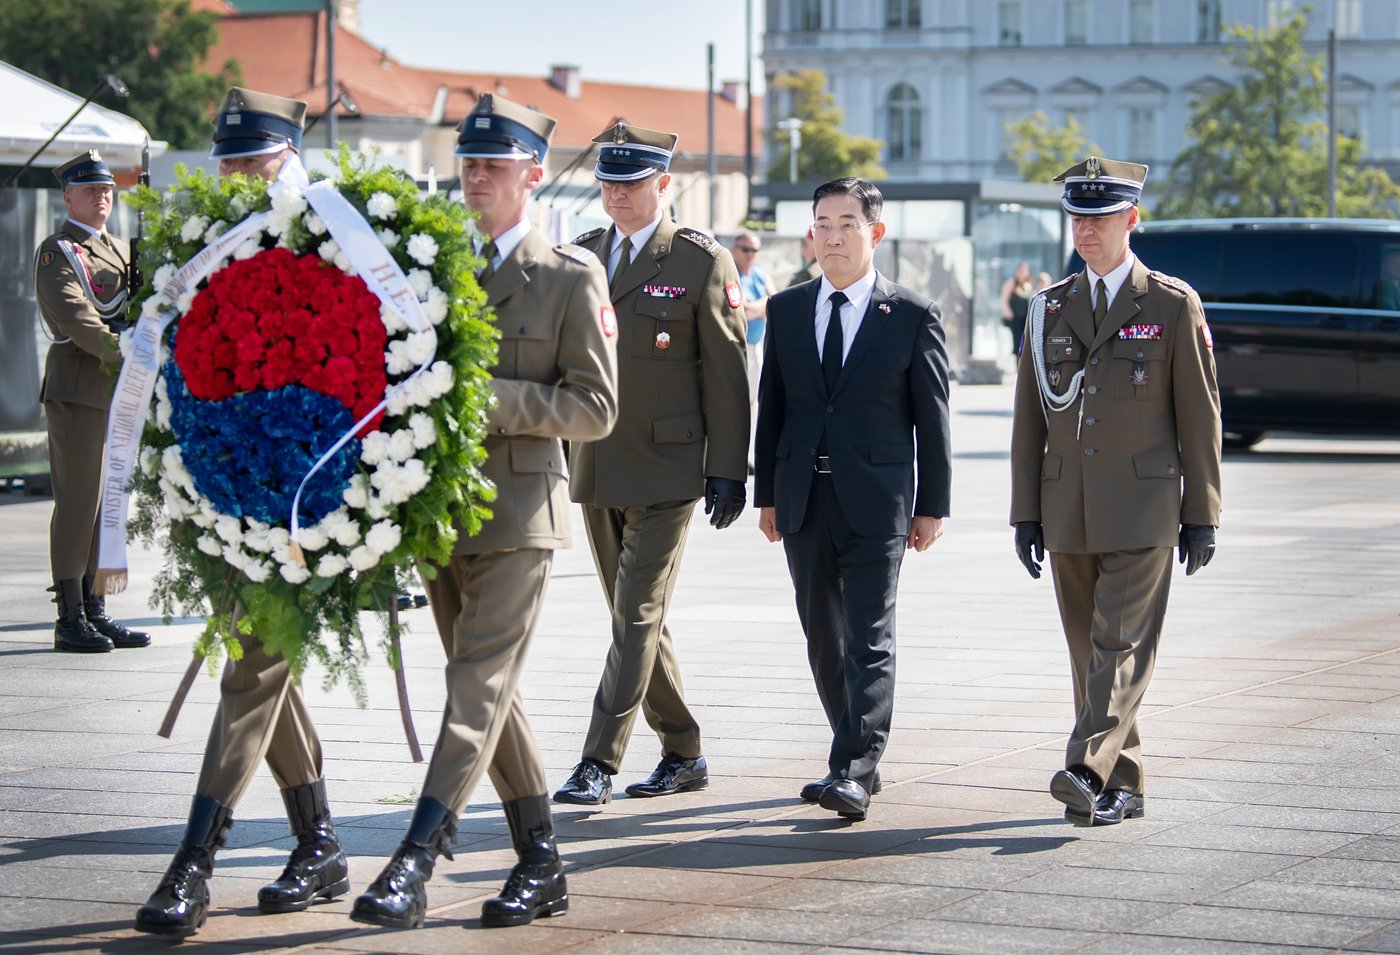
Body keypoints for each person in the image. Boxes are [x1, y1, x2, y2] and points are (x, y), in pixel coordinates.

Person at [350, 93, 619, 932]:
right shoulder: (428, 267)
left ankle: (416, 859)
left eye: (494, 164)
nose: (476, 175)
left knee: (475, 686)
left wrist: (483, 397)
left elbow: (595, 407)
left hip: (519, 518)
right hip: (440, 515)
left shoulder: (571, 276)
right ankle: (541, 859)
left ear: (532, 174)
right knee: (488, 693)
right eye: (468, 161)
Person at [136, 88, 355, 937]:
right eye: (226, 161)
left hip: (306, 498)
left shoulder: (332, 232)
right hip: (222, 486)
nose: (234, 176)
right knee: (262, 666)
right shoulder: (207, 245)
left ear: (289, 155)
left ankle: (194, 861)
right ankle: (319, 840)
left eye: (251, 161)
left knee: (252, 666)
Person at [1009, 156, 1222, 828]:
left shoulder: (1169, 303)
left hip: (1143, 507)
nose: (1085, 229)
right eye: (1077, 216)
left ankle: (1080, 766)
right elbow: (1028, 420)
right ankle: (1120, 784)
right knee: (1089, 655)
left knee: (1120, 644)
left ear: (1131, 219)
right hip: (1066, 505)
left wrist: (1202, 514)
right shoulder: (1048, 308)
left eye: (1099, 217)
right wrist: (1024, 513)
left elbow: (1200, 415)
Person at [554, 122, 750, 808]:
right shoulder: (579, 257)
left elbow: (729, 373)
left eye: (631, 182)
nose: (617, 194)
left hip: (669, 468)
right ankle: (684, 749)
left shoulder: (699, 260)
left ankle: (597, 761)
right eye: (607, 182)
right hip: (596, 464)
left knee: (634, 613)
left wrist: (730, 469)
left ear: (663, 185)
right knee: (635, 617)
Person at [754, 177, 952, 822]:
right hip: (803, 496)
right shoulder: (787, 310)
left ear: (875, 232)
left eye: (846, 223)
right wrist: (767, 496)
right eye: (821, 223)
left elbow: (933, 420)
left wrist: (932, 506)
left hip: (879, 502)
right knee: (822, 636)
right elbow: (773, 409)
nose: (832, 235)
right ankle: (852, 751)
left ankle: (856, 769)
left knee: (868, 637)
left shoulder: (913, 315)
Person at [35, 150, 151, 655]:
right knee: (80, 502)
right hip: (80, 390)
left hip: (119, 393)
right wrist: (126, 352)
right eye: (89, 190)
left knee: (109, 505)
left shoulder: (123, 249)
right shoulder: (57, 251)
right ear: (68, 197)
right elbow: (76, 317)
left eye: (106, 190)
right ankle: (69, 617)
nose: (101, 197)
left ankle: (96, 608)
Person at [731, 229, 777, 407]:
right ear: (734, 249)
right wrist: (764, 304)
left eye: (754, 250)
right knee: (740, 399)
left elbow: (776, 306)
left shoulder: (761, 274)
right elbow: (743, 311)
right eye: (745, 249)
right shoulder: (730, 273)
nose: (750, 254)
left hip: (758, 343)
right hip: (738, 345)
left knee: (756, 398)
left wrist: (757, 306)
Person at [1000, 261, 1033, 357]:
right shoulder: (1011, 283)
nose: (1022, 273)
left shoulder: (1027, 285)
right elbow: (1003, 299)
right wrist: (1009, 314)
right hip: (1015, 318)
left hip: (1025, 318)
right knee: (1018, 343)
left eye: (1024, 271)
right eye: (1020, 270)